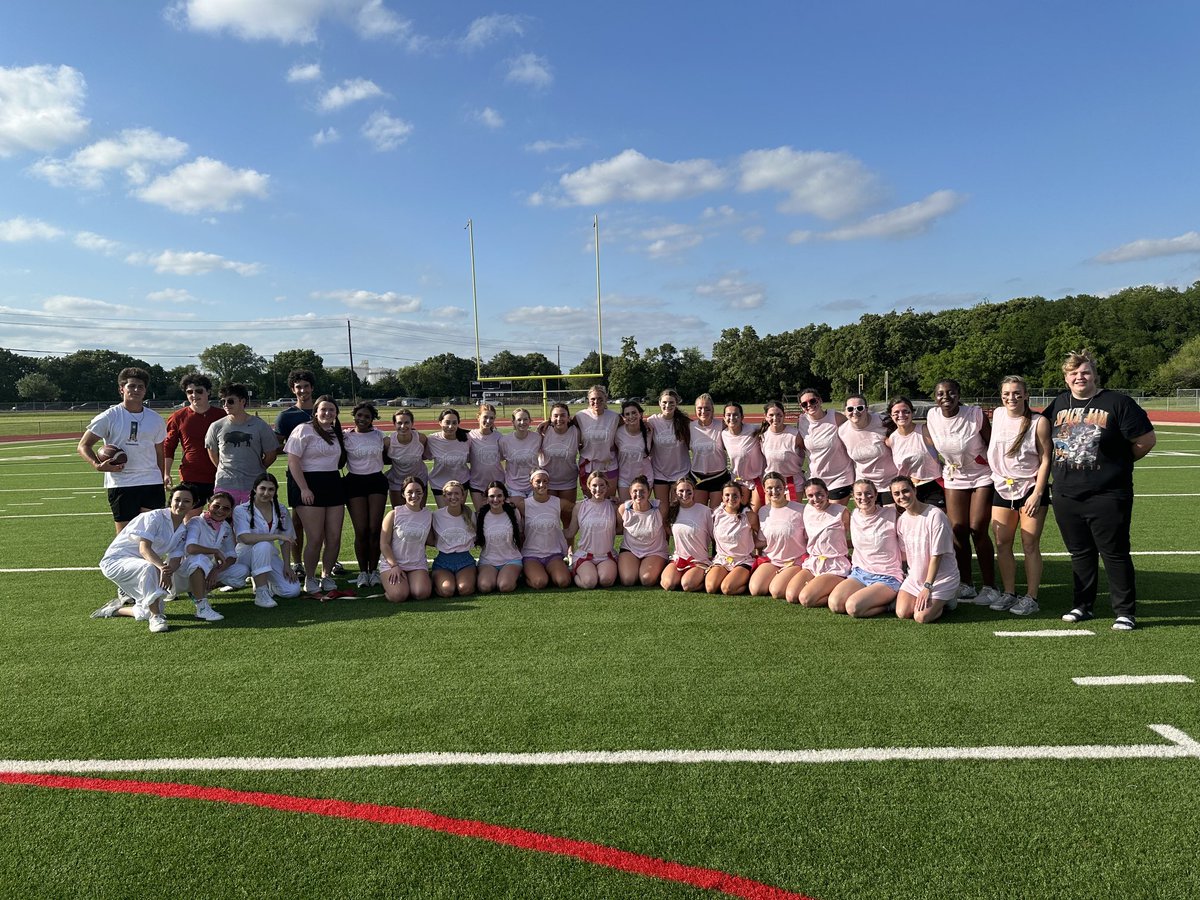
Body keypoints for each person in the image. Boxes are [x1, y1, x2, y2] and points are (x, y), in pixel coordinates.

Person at [1047, 351, 1155, 631]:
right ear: (1066, 378)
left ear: (1094, 374)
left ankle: (1125, 611)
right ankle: (1083, 605)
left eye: (1084, 372)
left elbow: (1146, 440)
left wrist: (1118, 463)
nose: (1079, 377)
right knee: (1080, 552)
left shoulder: (1118, 402)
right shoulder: (1059, 403)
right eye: (1073, 373)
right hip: (1066, 492)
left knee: (1114, 553)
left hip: (1108, 493)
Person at [924, 379, 999, 606]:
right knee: (958, 530)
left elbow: (993, 443)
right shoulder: (932, 416)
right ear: (934, 397)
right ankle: (966, 583)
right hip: (954, 476)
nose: (945, 397)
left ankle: (990, 586)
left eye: (951, 392)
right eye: (940, 393)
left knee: (977, 528)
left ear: (959, 394)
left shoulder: (974, 414)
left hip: (981, 475)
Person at [986, 376, 1052, 616]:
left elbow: (1046, 459)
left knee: (1029, 543)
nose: (1011, 398)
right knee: (1002, 543)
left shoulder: (1038, 422)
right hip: (1003, 487)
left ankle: (1031, 597)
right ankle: (1009, 592)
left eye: (1016, 393)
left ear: (1025, 395)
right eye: (1006, 394)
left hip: (1030, 490)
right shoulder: (998, 415)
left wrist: (1038, 492)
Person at [90, 483, 194, 633]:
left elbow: (176, 559)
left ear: (193, 505)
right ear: (170, 501)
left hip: (143, 564)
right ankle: (156, 617)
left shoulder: (183, 529)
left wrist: (168, 571)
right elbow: (144, 549)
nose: (180, 504)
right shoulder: (154, 517)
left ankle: (114, 610)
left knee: (146, 609)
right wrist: (163, 569)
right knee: (149, 568)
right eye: (177, 499)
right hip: (116, 561)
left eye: (186, 501)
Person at [78, 366, 167, 534]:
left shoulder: (155, 419)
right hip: (122, 482)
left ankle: (150, 561)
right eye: (131, 386)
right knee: (125, 537)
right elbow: (83, 445)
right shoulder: (109, 416)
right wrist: (97, 465)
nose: (136, 390)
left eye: (140, 386)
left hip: (151, 481)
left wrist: (161, 480)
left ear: (145, 390)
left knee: (151, 534)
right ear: (121, 389)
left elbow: (159, 453)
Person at [284, 395, 347, 594]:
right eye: (323, 409)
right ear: (316, 412)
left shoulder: (337, 432)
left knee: (334, 536)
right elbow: (293, 461)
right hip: (309, 484)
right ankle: (310, 578)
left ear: (336, 413)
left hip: (333, 483)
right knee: (315, 537)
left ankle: (326, 576)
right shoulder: (304, 429)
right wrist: (304, 488)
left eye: (332, 410)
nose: (327, 413)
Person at [890, 475, 960, 624]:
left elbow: (937, 556)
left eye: (905, 491)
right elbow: (904, 555)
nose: (902, 496)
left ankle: (948, 599)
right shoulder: (902, 521)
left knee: (921, 617)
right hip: (916, 577)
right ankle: (932, 601)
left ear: (914, 490)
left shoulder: (935, 516)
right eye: (896, 494)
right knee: (902, 612)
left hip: (940, 579)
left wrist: (928, 586)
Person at [829, 480, 904, 618]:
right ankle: (872, 597)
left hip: (886, 576)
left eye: (868, 494)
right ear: (853, 496)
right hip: (860, 573)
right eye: (859, 494)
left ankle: (890, 604)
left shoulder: (891, 514)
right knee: (835, 605)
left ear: (876, 495)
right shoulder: (855, 515)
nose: (863, 498)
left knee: (853, 608)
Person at [232, 472, 302, 608]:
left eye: (271, 489)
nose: (266, 493)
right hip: (245, 556)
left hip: (268, 555)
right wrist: (275, 536)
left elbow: (286, 540)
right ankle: (261, 593)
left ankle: (266, 582)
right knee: (263, 545)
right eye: (262, 488)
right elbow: (245, 538)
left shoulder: (281, 509)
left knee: (292, 590)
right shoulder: (241, 510)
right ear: (254, 489)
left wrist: (287, 566)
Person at [205, 383, 279, 506]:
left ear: (242, 401)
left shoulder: (260, 425)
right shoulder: (216, 426)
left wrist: (257, 468)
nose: (226, 405)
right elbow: (212, 452)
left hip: (254, 484)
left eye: (230, 401)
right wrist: (225, 469)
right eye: (223, 401)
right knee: (225, 522)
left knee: (254, 522)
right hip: (225, 483)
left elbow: (271, 454)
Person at [275, 369, 318, 577]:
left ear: (312, 388)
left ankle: (332, 559)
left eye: (306, 386)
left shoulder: (325, 410)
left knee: (327, 520)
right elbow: (276, 446)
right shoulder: (286, 416)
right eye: (298, 387)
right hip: (298, 474)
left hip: (324, 473)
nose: (303, 390)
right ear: (293, 389)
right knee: (297, 521)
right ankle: (297, 562)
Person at [343, 401, 389, 587]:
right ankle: (363, 572)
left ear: (372, 420)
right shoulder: (346, 436)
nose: (362, 419)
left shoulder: (379, 435)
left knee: (374, 529)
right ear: (354, 416)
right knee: (361, 530)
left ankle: (374, 571)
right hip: (354, 483)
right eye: (359, 415)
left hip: (376, 482)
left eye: (367, 417)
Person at [162, 372, 224, 509]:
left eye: (199, 391)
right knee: (189, 520)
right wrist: (166, 473)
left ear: (208, 392)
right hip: (191, 475)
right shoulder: (178, 417)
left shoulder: (222, 415)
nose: (194, 395)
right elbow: (169, 447)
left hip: (220, 474)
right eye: (189, 392)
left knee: (222, 519)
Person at [785, 478, 850, 607]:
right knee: (791, 596)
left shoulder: (841, 511)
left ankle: (838, 590)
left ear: (827, 493)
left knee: (806, 599)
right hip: (813, 562)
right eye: (810, 495)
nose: (816, 499)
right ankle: (821, 587)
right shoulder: (807, 510)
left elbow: (852, 536)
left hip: (834, 564)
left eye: (819, 494)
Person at [180, 491, 239, 622]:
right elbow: (191, 548)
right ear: (208, 505)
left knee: (241, 571)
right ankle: (201, 607)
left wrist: (216, 571)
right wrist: (215, 551)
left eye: (225, 508)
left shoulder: (225, 526)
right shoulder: (196, 522)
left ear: (230, 512)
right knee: (198, 559)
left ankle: (202, 588)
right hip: (182, 573)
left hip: (207, 569)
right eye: (216, 506)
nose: (220, 511)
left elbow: (232, 556)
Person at [748, 471, 808, 599]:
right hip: (772, 560)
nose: (774, 491)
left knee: (776, 592)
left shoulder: (801, 509)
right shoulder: (763, 511)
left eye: (778, 487)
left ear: (785, 488)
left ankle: (795, 577)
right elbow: (762, 541)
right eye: (769, 488)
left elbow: (810, 538)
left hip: (794, 561)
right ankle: (779, 577)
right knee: (756, 589)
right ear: (764, 489)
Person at [379, 476, 433, 603]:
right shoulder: (394, 514)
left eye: (418, 492)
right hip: (393, 565)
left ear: (423, 493)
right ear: (403, 494)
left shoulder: (428, 514)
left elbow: (431, 540)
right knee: (399, 596)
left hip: (417, 564)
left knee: (421, 593)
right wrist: (394, 565)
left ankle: (411, 582)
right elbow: (384, 544)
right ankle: (390, 589)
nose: (414, 495)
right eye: (410, 492)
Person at [795, 388, 853, 504]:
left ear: (820, 401)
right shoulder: (801, 422)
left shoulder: (836, 418)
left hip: (840, 477)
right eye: (804, 404)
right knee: (819, 517)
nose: (809, 405)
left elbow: (853, 439)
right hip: (815, 479)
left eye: (813, 401)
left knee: (834, 517)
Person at [837, 393, 898, 503]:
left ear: (867, 409)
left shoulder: (884, 421)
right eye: (850, 409)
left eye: (860, 408)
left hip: (890, 483)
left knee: (891, 518)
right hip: (864, 487)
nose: (855, 412)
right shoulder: (842, 431)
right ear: (845, 412)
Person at [885, 396, 944, 507]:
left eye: (905, 411)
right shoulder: (892, 439)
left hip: (933, 486)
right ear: (891, 415)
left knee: (935, 520)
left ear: (912, 413)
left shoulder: (925, 430)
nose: (901, 415)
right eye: (896, 412)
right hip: (909, 490)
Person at [565, 471, 618, 588]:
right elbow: (570, 532)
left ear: (607, 486)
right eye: (594, 485)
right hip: (585, 555)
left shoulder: (614, 507)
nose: (598, 489)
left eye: (602, 485)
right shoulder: (580, 506)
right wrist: (550, 531)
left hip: (606, 555)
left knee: (606, 580)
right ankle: (573, 572)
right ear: (588, 486)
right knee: (590, 583)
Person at [706, 482, 761, 595]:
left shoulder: (749, 516)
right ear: (722, 497)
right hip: (722, 560)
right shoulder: (716, 514)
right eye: (727, 495)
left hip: (742, 560)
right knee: (710, 588)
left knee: (727, 589)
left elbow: (760, 536)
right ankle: (731, 577)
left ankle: (747, 581)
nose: (731, 498)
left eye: (735, 495)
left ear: (741, 497)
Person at [521, 469, 572, 589]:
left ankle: (550, 572)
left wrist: (608, 502)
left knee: (563, 581)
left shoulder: (558, 503)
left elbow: (580, 508)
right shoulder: (523, 505)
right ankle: (527, 573)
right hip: (531, 554)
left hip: (553, 554)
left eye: (545, 481)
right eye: (538, 481)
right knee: (540, 582)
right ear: (531, 483)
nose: (542, 485)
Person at [660, 478, 712, 592]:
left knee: (687, 585)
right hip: (679, 559)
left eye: (688, 491)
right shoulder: (673, 510)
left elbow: (714, 537)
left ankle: (703, 577)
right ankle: (681, 576)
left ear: (694, 491)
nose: (685, 494)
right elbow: (668, 529)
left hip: (698, 561)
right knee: (668, 584)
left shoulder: (705, 511)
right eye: (681, 491)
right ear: (675, 492)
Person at [617, 475, 669, 587]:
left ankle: (657, 568)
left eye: (642, 491)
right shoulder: (623, 508)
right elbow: (618, 530)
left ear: (649, 492)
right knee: (628, 580)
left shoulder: (660, 508)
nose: (638, 494)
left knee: (647, 580)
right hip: (630, 550)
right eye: (635, 491)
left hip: (655, 551)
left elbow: (667, 528)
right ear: (630, 493)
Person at [475, 481, 523, 594]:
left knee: (504, 586)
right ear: (486, 498)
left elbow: (521, 534)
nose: (495, 500)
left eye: (499, 496)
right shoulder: (480, 515)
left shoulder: (513, 512)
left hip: (511, 560)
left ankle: (513, 575)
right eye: (492, 496)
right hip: (488, 561)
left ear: (505, 497)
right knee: (484, 587)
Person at [430, 480, 476, 597]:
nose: (453, 497)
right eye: (449, 494)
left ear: (462, 496)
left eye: (456, 494)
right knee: (447, 590)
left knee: (464, 589)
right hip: (443, 561)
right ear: (444, 497)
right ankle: (435, 581)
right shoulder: (436, 515)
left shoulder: (471, 515)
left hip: (465, 560)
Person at [754, 400, 804, 509]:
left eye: (779, 415)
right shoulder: (763, 436)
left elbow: (809, 453)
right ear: (766, 416)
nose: (775, 418)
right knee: (772, 515)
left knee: (793, 514)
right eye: (771, 415)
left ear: (784, 415)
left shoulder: (794, 434)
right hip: (772, 482)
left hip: (792, 481)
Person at [648, 389, 692, 507]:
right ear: (659, 403)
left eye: (671, 403)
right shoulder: (652, 421)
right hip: (659, 472)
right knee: (662, 509)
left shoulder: (684, 422)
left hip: (680, 472)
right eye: (665, 402)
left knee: (676, 508)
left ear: (676, 404)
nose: (668, 405)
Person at [575, 385, 620, 498]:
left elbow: (632, 425)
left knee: (609, 501)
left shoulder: (614, 417)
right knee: (590, 502)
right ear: (588, 400)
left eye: (600, 398)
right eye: (593, 399)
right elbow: (564, 424)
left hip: (609, 464)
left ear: (605, 398)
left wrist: (646, 424)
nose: (596, 402)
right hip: (588, 465)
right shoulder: (580, 416)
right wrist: (547, 423)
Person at [538, 402, 581, 518]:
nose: (559, 419)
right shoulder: (543, 432)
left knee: (567, 518)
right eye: (555, 416)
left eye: (562, 415)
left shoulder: (576, 432)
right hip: (547, 482)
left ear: (568, 417)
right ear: (550, 418)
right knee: (550, 518)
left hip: (568, 482)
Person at [721, 402, 765, 508]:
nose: (732, 418)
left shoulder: (754, 430)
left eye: (736, 414)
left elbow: (770, 429)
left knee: (755, 513)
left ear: (742, 417)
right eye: (728, 415)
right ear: (724, 417)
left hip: (757, 479)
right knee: (740, 513)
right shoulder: (723, 434)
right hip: (738, 480)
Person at [688, 393, 728, 508]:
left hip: (718, 477)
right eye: (699, 408)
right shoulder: (690, 427)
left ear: (713, 409)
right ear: (695, 409)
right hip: (697, 477)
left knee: (716, 516)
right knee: (700, 515)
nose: (703, 411)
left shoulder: (722, 425)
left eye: (707, 408)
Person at [426, 408, 471, 508]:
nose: (450, 426)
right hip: (439, 484)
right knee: (444, 515)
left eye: (454, 423)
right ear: (440, 423)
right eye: (447, 422)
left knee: (458, 514)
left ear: (458, 424)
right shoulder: (432, 440)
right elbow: (425, 456)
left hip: (462, 482)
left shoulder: (467, 438)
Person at [385, 408, 427, 507]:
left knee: (419, 513)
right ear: (394, 424)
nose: (403, 426)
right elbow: (385, 459)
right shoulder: (388, 442)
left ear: (412, 423)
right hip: (397, 481)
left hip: (419, 480)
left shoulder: (421, 438)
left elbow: (424, 456)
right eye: (399, 423)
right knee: (399, 514)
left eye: (406, 422)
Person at [468, 403, 505, 511]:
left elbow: (504, 457)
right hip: (477, 484)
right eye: (485, 417)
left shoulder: (499, 437)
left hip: (496, 483)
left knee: (497, 514)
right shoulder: (470, 436)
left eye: (491, 418)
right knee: (481, 515)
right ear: (478, 417)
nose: (488, 421)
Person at [615, 400, 653, 501]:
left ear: (640, 414)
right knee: (626, 509)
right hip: (624, 478)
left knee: (640, 509)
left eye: (634, 413)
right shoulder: (618, 432)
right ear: (624, 417)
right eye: (627, 414)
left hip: (645, 477)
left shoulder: (649, 430)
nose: (631, 416)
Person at [499, 408, 540, 498]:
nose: (522, 422)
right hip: (514, 486)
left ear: (530, 420)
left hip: (534, 485)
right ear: (513, 422)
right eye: (519, 420)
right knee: (519, 509)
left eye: (525, 419)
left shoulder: (537, 438)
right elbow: (500, 460)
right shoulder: (504, 441)